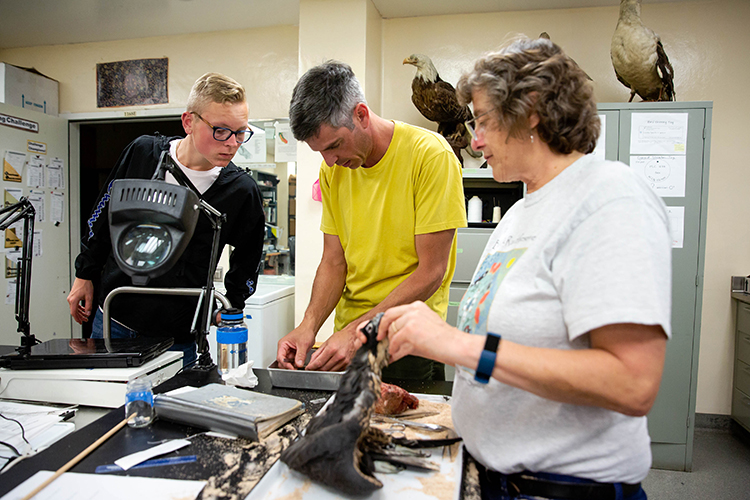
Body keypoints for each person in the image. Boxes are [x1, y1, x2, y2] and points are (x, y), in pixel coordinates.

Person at [370, 37, 671, 500]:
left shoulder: (610, 198)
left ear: (530, 111)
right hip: (496, 476)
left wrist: (459, 346)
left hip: (561, 487)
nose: (474, 140)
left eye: (485, 121)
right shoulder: (521, 212)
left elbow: (632, 383)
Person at [276, 61, 467, 381]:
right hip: (346, 340)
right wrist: (308, 326)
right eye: (320, 152)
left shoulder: (431, 156)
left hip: (405, 341)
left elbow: (432, 271)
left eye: (334, 145)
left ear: (361, 115)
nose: (330, 160)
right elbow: (334, 262)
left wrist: (358, 331)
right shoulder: (332, 171)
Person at [67, 72, 266, 368]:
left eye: (240, 132)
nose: (232, 143)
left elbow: (249, 255)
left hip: (180, 335)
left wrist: (234, 301)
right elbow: (102, 214)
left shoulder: (239, 190)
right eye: (221, 130)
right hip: (116, 318)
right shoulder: (144, 154)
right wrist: (84, 272)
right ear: (188, 122)